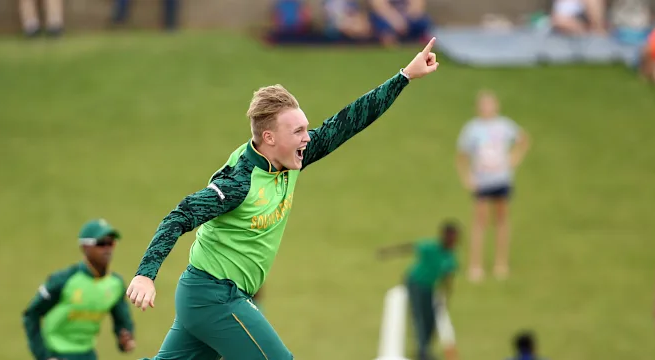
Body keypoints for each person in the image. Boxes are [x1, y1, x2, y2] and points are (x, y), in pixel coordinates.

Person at [125, 38, 440, 360]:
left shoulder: (291, 157)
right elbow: (179, 216)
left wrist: (404, 76)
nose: (307, 138)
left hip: (210, 296)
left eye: (306, 129)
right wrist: (145, 274)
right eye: (298, 131)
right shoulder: (238, 182)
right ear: (269, 137)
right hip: (213, 296)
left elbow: (348, 122)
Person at [23, 219, 136, 360]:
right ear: (85, 247)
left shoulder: (115, 284)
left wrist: (125, 339)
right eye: (101, 243)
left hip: (87, 354)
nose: (107, 249)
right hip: (57, 354)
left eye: (111, 243)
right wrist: (44, 356)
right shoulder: (64, 280)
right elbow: (31, 314)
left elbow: (122, 321)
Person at [456, 90, 530, 282]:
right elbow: (461, 155)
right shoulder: (472, 129)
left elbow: (523, 140)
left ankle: (501, 263)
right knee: (479, 221)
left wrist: (514, 159)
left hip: (501, 179)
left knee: (501, 220)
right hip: (482, 181)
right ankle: (475, 265)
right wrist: (467, 177)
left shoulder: (504, 125)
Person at [378, 220, 460, 360]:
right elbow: (409, 247)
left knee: (431, 319)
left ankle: (424, 349)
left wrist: (445, 298)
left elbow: (447, 280)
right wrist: (388, 252)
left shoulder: (450, 257)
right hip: (415, 283)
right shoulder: (431, 247)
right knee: (419, 317)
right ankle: (422, 351)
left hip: (428, 287)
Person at [368, 0, 433, 47]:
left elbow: (417, 5)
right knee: (379, 22)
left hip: (407, 16)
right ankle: (390, 44)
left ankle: (420, 40)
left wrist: (406, 18)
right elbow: (380, 6)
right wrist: (396, 20)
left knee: (422, 21)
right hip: (388, 17)